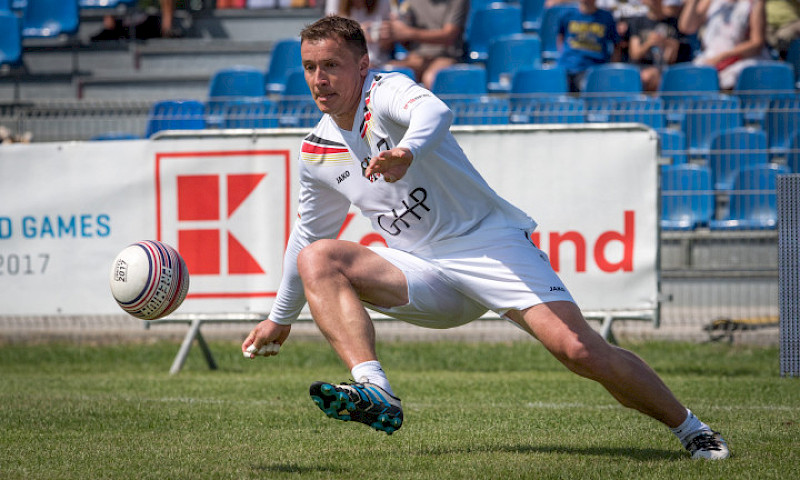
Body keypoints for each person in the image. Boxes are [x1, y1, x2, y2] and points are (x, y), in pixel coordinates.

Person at [241, 15, 730, 460]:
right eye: (309, 67)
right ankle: (375, 390)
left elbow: (435, 114)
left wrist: (407, 151)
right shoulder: (318, 149)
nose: (319, 79)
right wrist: (278, 318)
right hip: (420, 268)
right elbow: (308, 232)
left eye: (331, 65)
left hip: (488, 244)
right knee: (318, 257)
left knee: (580, 351)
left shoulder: (385, 90)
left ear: (363, 64)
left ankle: (692, 429)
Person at [679, 0, 772, 89]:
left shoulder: (753, 3)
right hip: (711, 58)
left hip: (741, 59)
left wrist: (723, 57)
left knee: (731, 79)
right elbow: (687, 27)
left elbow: (757, 43)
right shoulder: (709, 2)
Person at [382, 0, 469, 88]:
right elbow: (406, 42)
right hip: (416, 58)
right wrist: (394, 31)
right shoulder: (409, 2)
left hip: (447, 57)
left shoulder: (458, 1)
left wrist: (408, 33)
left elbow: (449, 36)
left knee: (431, 78)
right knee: (388, 72)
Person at [556, 0, 623, 92]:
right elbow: (560, 37)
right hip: (567, 67)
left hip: (593, 69)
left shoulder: (606, 17)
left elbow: (616, 45)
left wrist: (611, 68)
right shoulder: (567, 14)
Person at [627, 0, 683, 90]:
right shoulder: (637, 22)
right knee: (646, 76)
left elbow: (670, 59)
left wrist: (664, 42)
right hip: (641, 68)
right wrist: (649, 43)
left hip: (664, 69)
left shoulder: (672, 23)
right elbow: (635, 54)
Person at [338, 0, 395, 69]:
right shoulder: (337, 3)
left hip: (379, 62)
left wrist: (386, 37)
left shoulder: (383, 3)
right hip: (350, 62)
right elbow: (331, 37)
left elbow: (390, 45)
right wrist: (357, 34)